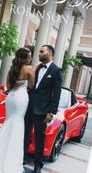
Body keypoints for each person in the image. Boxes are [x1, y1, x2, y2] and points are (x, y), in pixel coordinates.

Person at [24, 45, 62, 173]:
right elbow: (31, 87)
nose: (39, 53)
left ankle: (37, 165)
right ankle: (22, 157)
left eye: (42, 51)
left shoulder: (56, 71)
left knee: (40, 138)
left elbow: (56, 94)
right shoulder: (37, 67)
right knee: (25, 133)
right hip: (29, 106)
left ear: (50, 53)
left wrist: (51, 112)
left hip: (42, 110)